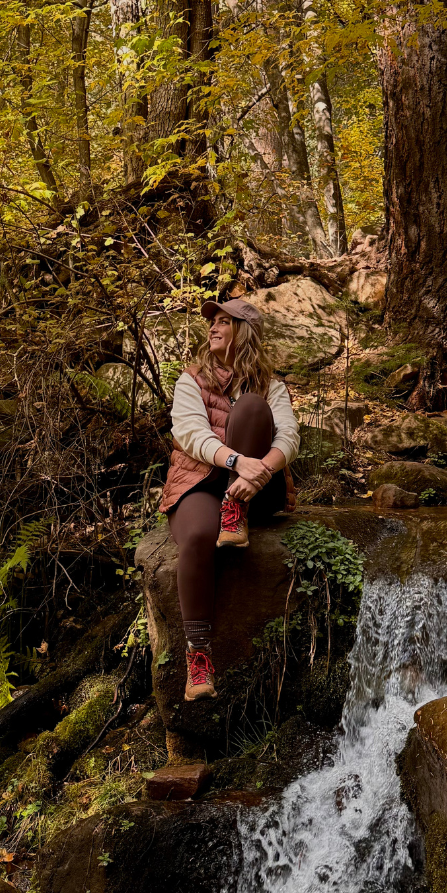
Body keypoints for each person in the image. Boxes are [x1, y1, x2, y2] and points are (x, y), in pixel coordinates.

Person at [160, 298, 300, 702]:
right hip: (201, 480)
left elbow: (288, 438)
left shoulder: (270, 383)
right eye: (212, 322)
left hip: (258, 487)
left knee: (253, 407)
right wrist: (238, 463)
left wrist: (259, 473)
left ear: (245, 331)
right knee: (200, 536)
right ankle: (198, 656)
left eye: (224, 321)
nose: (213, 328)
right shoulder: (191, 380)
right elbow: (190, 434)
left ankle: (236, 511)